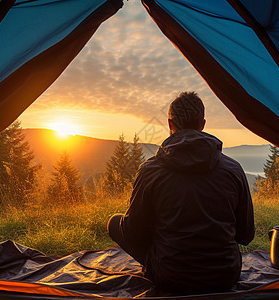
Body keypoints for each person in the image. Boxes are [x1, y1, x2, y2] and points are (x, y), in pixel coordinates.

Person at [107, 91, 254, 294]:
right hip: (224, 276)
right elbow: (246, 235)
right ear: (202, 124)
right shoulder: (233, 169)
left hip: (170, 277)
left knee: (115, 222)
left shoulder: (150, 170)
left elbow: (133, 233)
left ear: (170, 125)